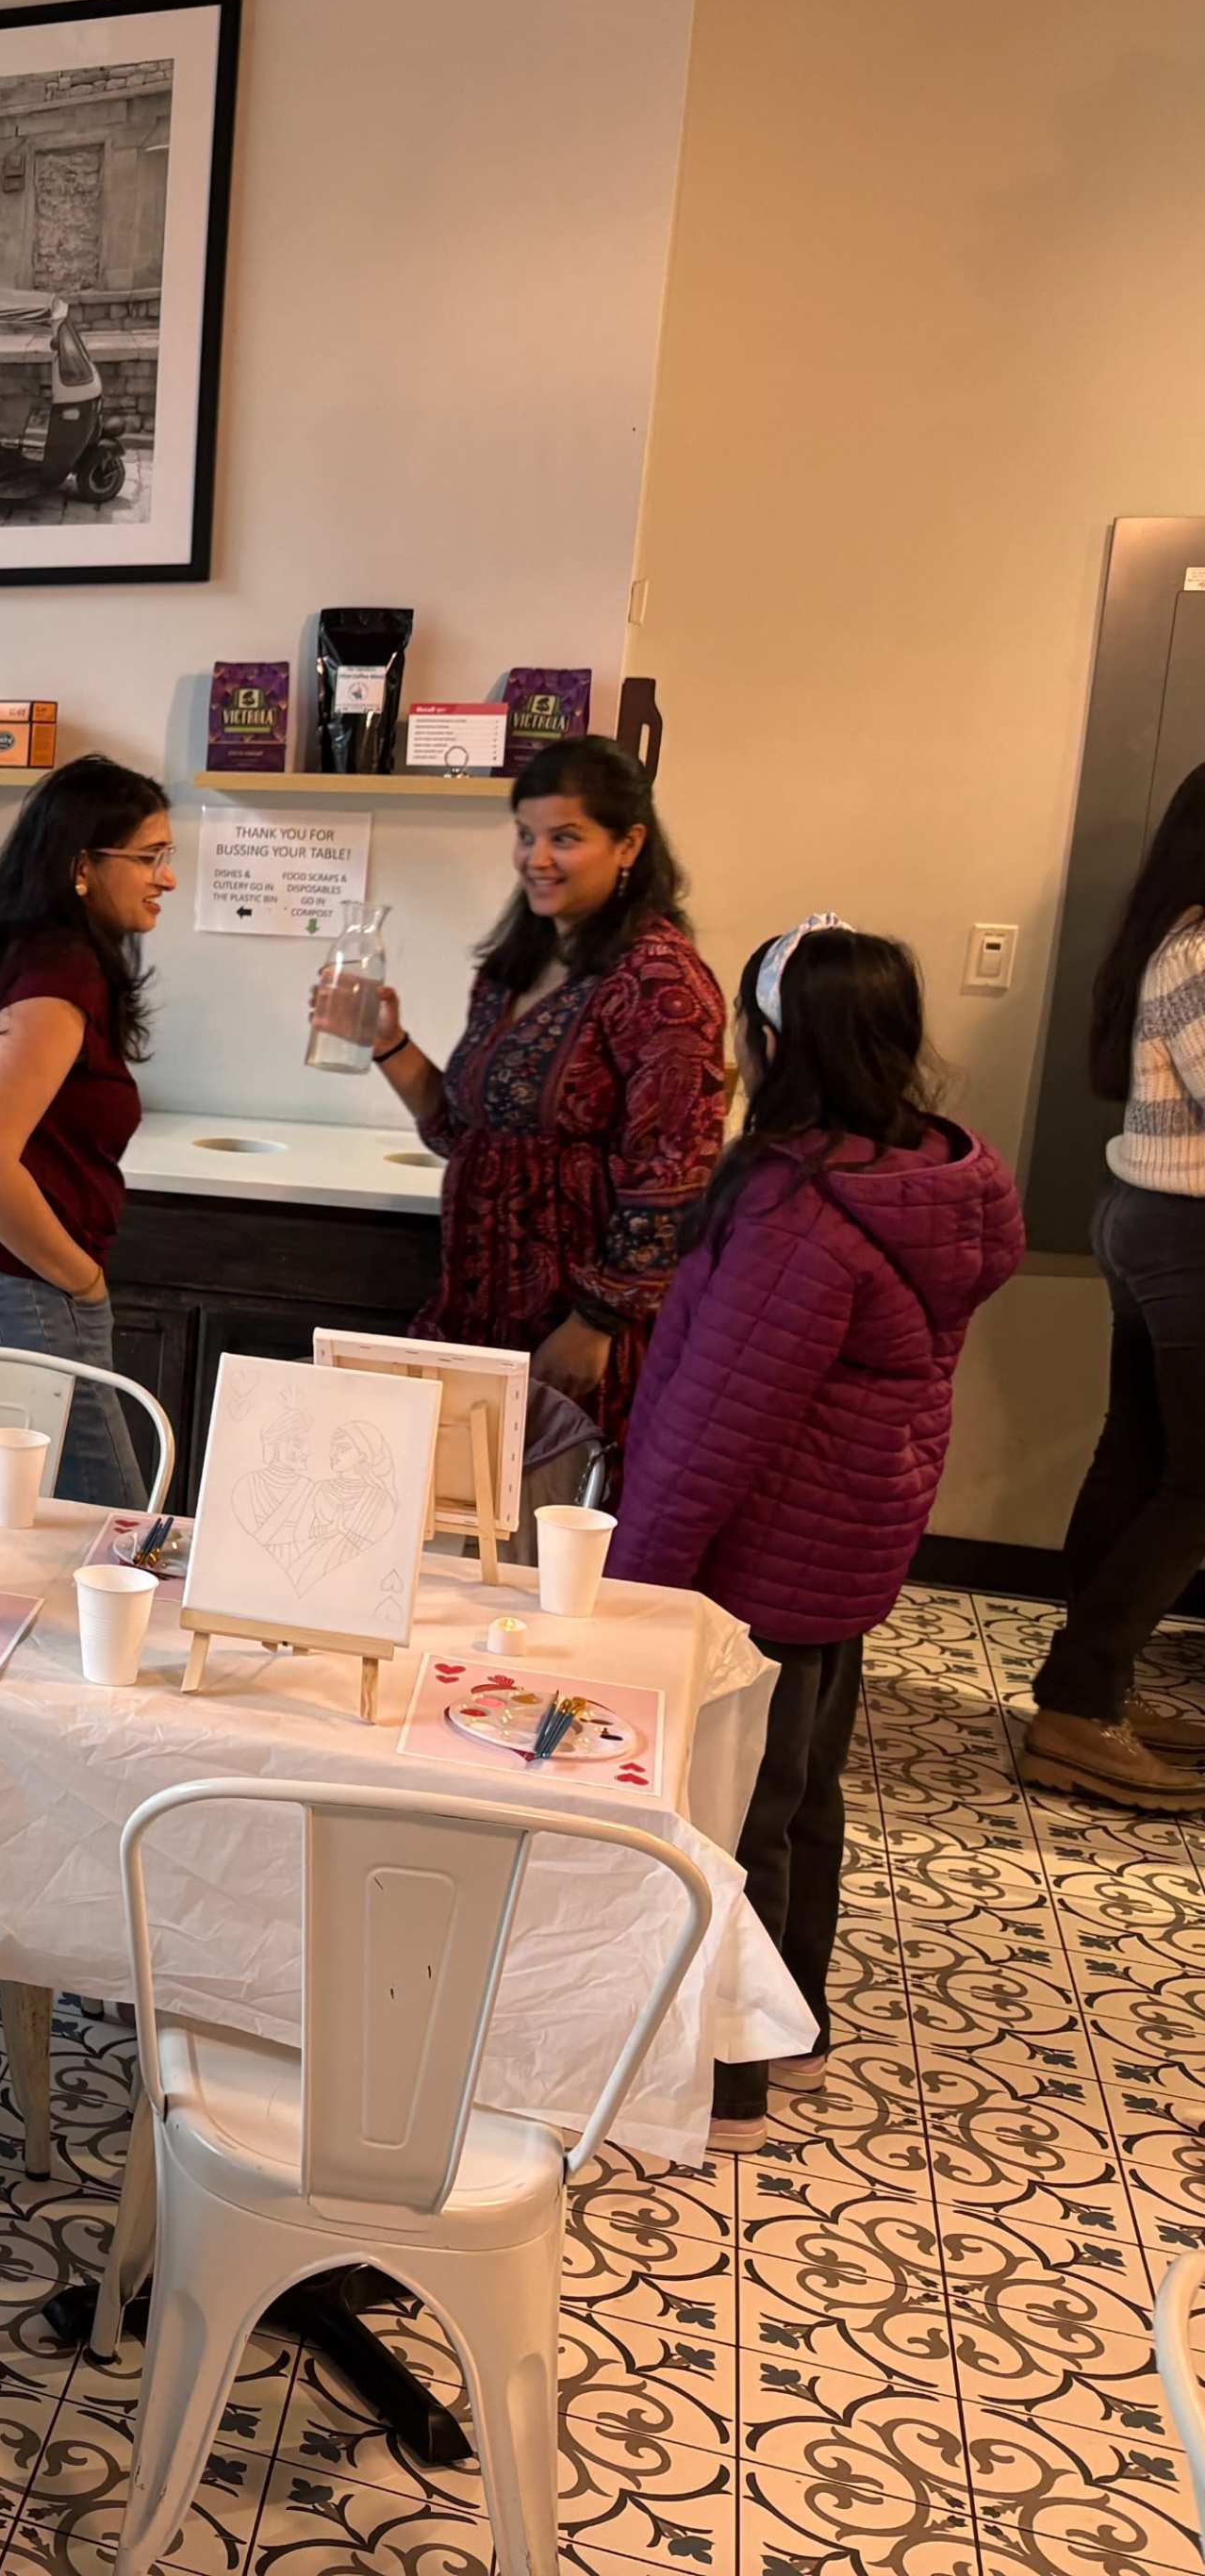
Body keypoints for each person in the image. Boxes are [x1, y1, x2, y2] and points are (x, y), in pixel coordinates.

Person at [606, 923, 1023, 2149]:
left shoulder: (798, 1206)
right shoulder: (937, 1175)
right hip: (845, 1549)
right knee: (801, 1795)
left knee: (736, 1811)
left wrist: (630, 1592)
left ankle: (732, 2068)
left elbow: (714, 1427)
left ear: (777, 1039)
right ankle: (794, 2020)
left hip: (755, 1563)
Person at [315, 735, 725, 1449]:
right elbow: (464, 1134)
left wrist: (594, 1324)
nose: (536, 858)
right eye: (526, 835)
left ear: (628, 844)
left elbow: (674, 1179)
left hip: (582, 1333)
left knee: (556, 1535)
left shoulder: (661, 984)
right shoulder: (514, 968)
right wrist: (386, 1042)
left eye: (564, 838)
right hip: (476, 1312)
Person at [0, 755, 174, 1509]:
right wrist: (81, 1279)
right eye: (150, 857)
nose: (166, 877)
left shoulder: (3, 951)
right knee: (113, 1535)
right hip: (13, 1290)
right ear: (83, 865)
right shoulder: (60, 977)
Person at [1024, 764, 1205, 1812]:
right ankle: (1080, 1702)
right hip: (1188, 1233)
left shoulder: (1172, 933)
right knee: (1198, 1482)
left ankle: (1094, 1694)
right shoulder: (1202, 942)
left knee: (1139, 1458)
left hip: (1152, 1220)